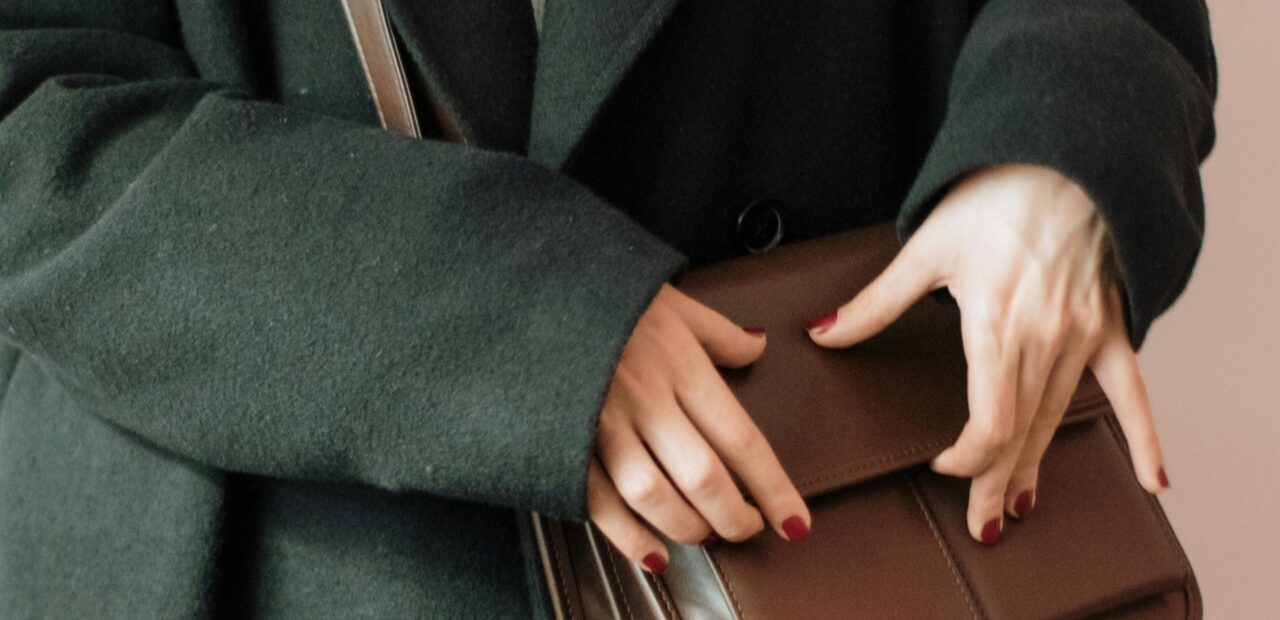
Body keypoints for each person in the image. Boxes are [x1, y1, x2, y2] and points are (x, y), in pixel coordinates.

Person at [0, 0, 1216, 617]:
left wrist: (1060, 148)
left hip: (861, 514)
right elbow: (28, 103)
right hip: (297, 544)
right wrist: (523, 318)